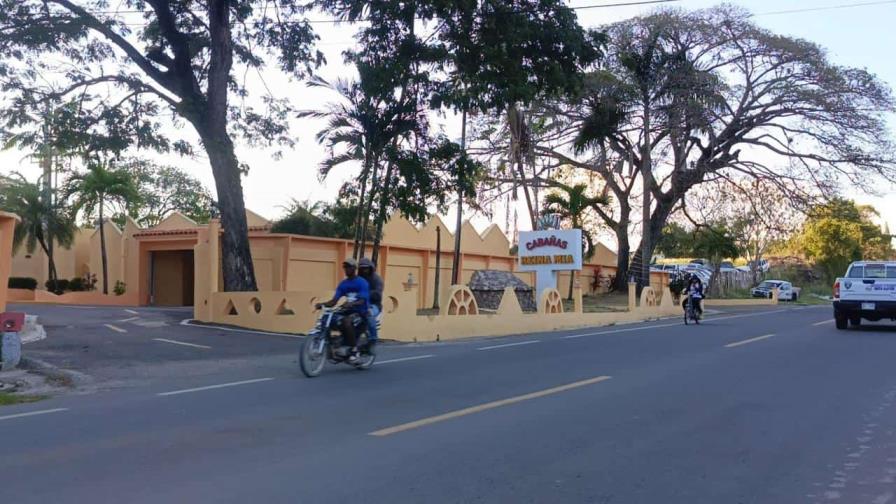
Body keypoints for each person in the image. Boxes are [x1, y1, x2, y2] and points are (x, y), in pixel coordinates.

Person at [315, 258, 369, 363]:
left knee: (346, 321)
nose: (346, 269)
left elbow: (362, 300)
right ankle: (331, 347)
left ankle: (354, 350)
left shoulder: (362, 283)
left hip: (360, 312)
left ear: (354, 268)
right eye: (345, 267)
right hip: (347, 310)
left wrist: (351, 303)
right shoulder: (343, 284)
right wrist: (322, 304)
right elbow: (334, 301)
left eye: (348, 267)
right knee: (326, 319)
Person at [358, 257, 383, 348]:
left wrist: (366, 294)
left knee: (369, 314)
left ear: (370, 268)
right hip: (359, 304)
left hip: (374, 305)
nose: (364, 270)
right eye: (362, 268)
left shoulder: (377, 279)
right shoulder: (358, 279)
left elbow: (378, 294)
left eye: (366, 268)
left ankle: (373, 338)